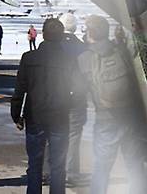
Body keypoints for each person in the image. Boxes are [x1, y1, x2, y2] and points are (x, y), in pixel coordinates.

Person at [78, 15, 145, 194]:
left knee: (102, 166)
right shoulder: (122, 51)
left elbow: (79, 88)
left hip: (105, 118)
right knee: (134, 164)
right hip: (129, 115)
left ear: (90, 33)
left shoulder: (84, 58)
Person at [11, 18, 74, 194]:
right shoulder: (68, 59)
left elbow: (20, 88)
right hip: (59, 116)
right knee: (58, 164)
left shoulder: (29, 57)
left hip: (35, 115)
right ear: (61, 36)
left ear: (43, 35)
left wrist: (16, 115)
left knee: (34, 163)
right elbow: (76, 88)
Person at [58, 13, 88, 186]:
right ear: (75, 27)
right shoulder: (83, 47)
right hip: (76, 97)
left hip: (55, 96)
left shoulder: (52, 45)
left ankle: (48, 171)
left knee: (52, 132)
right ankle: (71, 173)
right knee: (74, 135)